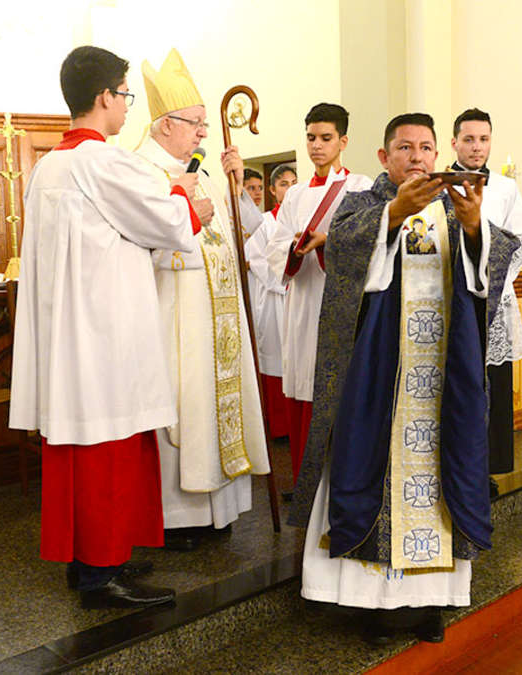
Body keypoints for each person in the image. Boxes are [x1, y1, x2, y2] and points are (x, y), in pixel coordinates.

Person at [288, 113, 520, 643]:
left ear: (437, 154)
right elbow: (341, 256)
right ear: (384, 157)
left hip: (441, 380)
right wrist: (393, 215)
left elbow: (496, 263)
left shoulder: (456, 205)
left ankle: (428, 602)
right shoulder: (364, 204)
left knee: (440, 477)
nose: (416, 157)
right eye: (404, 148)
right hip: (377, 378)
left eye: (425, 148)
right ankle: (369, 603)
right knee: (368, 467)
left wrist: (474, 229)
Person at [9, 45, 203, 609]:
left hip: (70, 338)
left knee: (84, 451)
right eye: (124, 96)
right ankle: (102, 573)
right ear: (104, 97)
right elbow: (165, 221)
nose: (126, 108)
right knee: (108, 450)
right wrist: (190, 206)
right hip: (104, 337)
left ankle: (90, 558)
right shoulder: (105, 162)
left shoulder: (49, 165)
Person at [136, 48, 270, 552]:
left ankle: (221, 512)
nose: (202, 132)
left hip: (220, 324)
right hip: (176, 320)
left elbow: (253, 231)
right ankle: (179, 517)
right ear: (164, 124)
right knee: (185, 409)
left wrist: (237, 187)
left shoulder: (201, 170)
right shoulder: (142, 173)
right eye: (194, 123)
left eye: (202, 123)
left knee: (218, 405)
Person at [265, 103, 372, 489]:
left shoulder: (360, 187)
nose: (316, 146)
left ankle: (338, 483)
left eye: (326, 138)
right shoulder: (293, 196)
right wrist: (293, 248)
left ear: (343, 141)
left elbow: (367, 243)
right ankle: (304, 479)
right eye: (311, 138)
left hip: (338, 302)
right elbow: (274, 247)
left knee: (336, 386)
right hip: (302, 302)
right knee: (302, 385)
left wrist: (329, 243)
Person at [451, 108, 522, 482]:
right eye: (469, 139)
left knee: (494, 388)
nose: (476, 147)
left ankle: (490, 471)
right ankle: (455, 471)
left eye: (483, 139)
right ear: (454, 142)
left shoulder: (505, 188)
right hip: (452, 303)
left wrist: (494, 277)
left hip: (494, 304)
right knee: (458, 390)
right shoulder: (439, 185)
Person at [245, 164, 297, 439]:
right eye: (284, 184)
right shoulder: (263, 222)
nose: (289, 189)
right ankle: (277, 426)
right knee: (275, 359)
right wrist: (289, 280)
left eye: (293, 183)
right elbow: (258, 261)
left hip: (298, 298)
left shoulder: (302, 219)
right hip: (274, 299)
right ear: (273, 190)